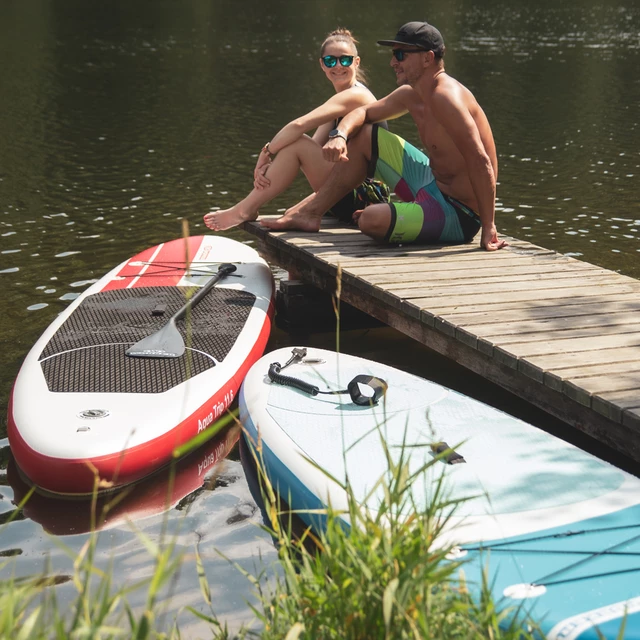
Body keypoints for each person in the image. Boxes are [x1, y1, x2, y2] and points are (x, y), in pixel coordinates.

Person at [260, 21, 507, 251]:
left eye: (401, 55)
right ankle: (311, 213)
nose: (393, 62)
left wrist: (489, 226)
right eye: (393, 55)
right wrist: (341, 135)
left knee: (371, 221)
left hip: (458, 212)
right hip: (431, 182)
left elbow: (480, 160)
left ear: (427, 58)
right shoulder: (411, 94)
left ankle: (393, 212)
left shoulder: (446, 97)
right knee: (365, 133)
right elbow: (364, 111)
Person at [203, 29, 389, 232]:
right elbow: (314, 155)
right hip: (347, 190)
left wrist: (265, 155)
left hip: (366, 200)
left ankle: (244, 209)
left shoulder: (357, 96)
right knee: (290, 209)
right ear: (322, 65)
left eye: (345, 60)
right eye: (330, 61)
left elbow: (299, 126)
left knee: (296, 141)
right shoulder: (338, 105)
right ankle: (251, 206)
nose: (337, 66)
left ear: (357, 62)